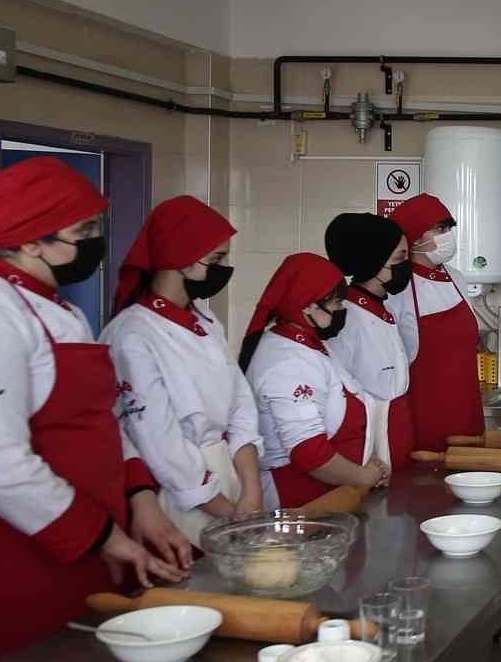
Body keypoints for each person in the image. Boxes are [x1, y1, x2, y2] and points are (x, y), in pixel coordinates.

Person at [0, 157, 188, 662]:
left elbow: (102, 420)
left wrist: (140, 498)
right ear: (31, 241)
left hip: (91, 544)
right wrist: (100, 534)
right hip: (16, 554)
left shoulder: (62, 310)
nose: (96, 242)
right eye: (85, 230)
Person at [102, 196, 267, 547]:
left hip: (231, 482)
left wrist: (251, 491)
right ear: (180, 260)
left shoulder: (206, 322)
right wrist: (229, 511)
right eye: (216, 260)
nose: (223, 269)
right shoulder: (133, 335)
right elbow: (160, 443)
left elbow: (241, 408)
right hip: (178, 495)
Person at [240, 253, 389, 508]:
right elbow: (309, 454)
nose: (342, 311)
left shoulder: (309, 344)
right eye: (336, 305)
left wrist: (367, 464)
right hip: (297, 503)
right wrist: (363, 476)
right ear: (307, 305)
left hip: (333, 497)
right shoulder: (286, 361)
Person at [385, 194, 484, 453]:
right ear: (415, 236)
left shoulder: (456, 278)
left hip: (468, 417)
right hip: (425, 424)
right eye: (440, 229)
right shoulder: (398, 289)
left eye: (449, 228)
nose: (448, 235)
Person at [324, 213, 415, 470]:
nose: (406, 266)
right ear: (372, 262)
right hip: (367, 442)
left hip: (396, 431)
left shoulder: (381, 309)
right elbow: (339, 392)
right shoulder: (347, 317)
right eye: (399, 259)